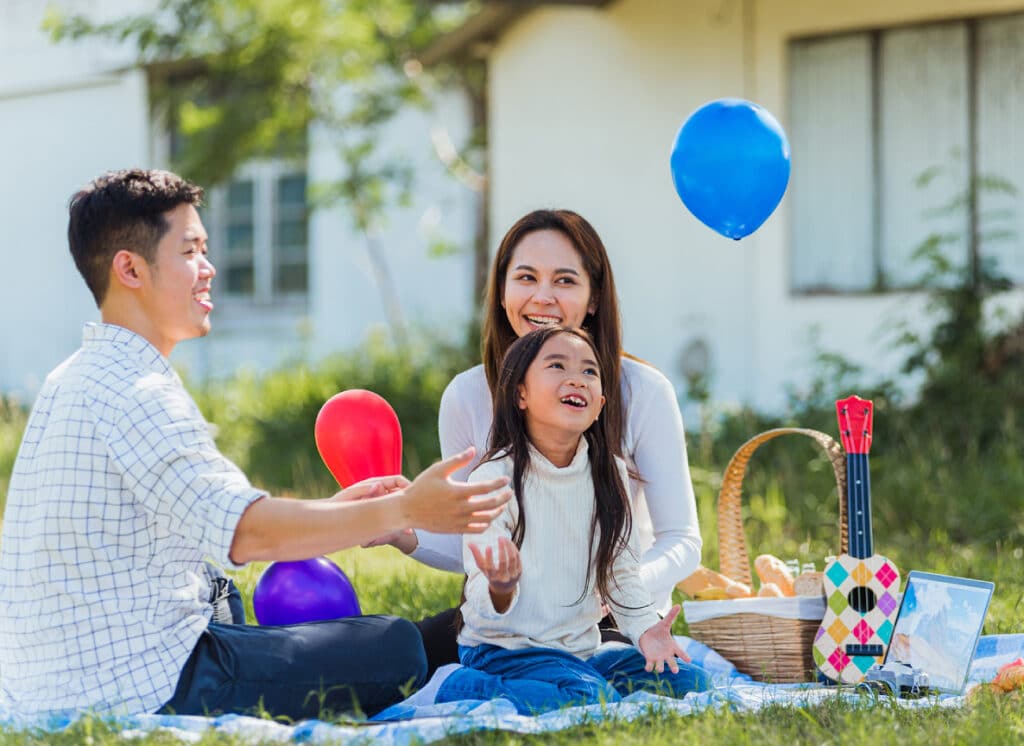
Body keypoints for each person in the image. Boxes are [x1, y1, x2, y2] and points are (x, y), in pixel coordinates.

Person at [0, 169, 511, 721]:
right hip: (150, 681)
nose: (209, 268)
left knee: (307, 621)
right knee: (394, 647)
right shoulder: (137, 391)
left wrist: (332, 514)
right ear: (130, 268)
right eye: (191, 250)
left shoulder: (77, 376)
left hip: (64, 674)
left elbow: (209, 524)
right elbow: (247, 531)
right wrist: (406, 508)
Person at [385, 209, 702, 675]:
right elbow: (480, 546)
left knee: (615, 679)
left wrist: (610, 588)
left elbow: (682, 540)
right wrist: (407, 534)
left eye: (565, 281)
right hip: (509, 622)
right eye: (526, 277)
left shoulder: (643, 392)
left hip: (612, 621)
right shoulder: (468, 396)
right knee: (398, 654)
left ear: (593, 298)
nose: (542, 297)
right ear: (502, 291)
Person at [433, 326, 710, 713]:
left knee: (691, 681)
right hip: (502, 649)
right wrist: (501, 586)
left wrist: (648, 630)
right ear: (520, 394)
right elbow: (482, 596)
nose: (575, 379)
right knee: (591, 698)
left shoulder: (610, 473)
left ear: (600, 403)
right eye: (557, 366)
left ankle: (572, 682)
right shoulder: (493, 479)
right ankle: (466, 687)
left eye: (589, 372)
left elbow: (621, 573)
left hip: (579, 650)